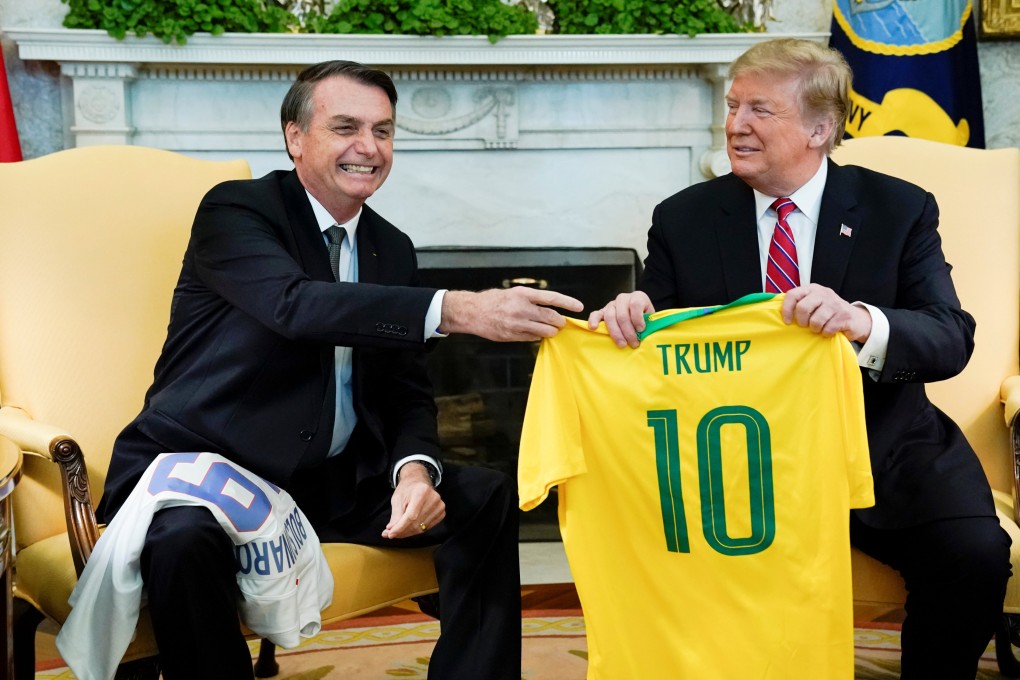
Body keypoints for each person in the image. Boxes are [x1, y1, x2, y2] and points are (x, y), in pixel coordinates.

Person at [96, 59, 582, 680]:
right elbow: (293, 306)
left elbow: (405, 386)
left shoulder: (392, 247)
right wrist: (456, 308)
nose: (368, 147)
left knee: (483, 495)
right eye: (346, 127)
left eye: (383, 131)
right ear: (295, 137)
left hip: (326, 480)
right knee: (182, 542)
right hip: (206, 473)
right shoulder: (236, 212)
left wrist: (413, 472)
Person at [589, 38, 1011, 679]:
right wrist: (629, 317)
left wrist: (860, 321)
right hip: (738, 462)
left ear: (821, 127)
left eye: (760, 109)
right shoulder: (684, 218)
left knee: (975, 553)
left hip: (883, 446)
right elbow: (658, 337)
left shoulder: (897, 209)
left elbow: (949, 335)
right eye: (732, 106)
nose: (735, 125)